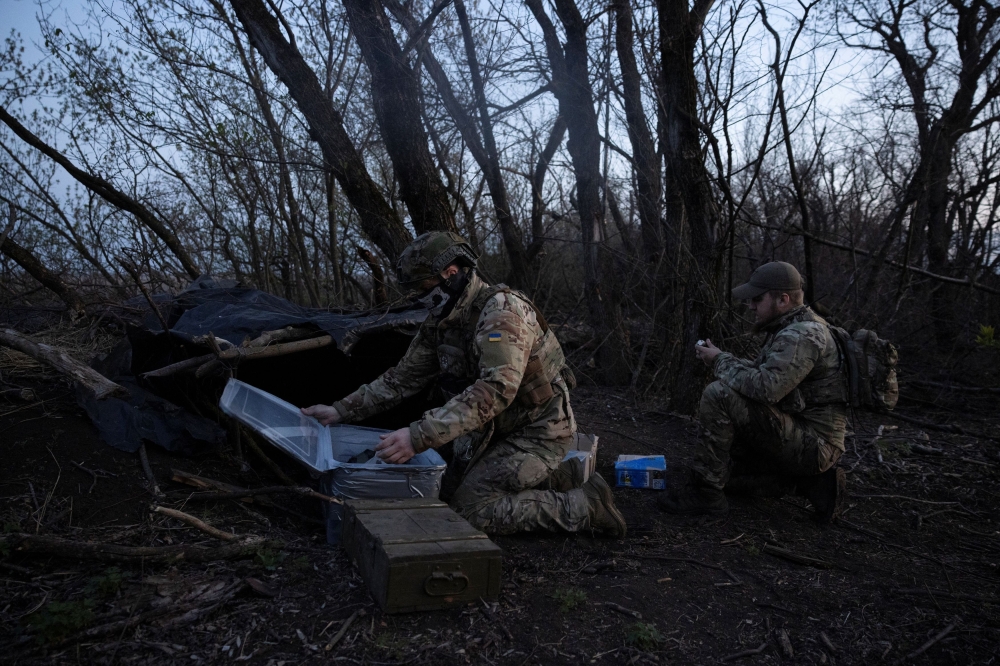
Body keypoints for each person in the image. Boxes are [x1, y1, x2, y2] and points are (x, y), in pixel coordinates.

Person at [302, 232, 626, 537]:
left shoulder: (502, 313)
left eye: (423, 291)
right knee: (444, 487)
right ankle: (563, 477)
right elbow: (402, 379)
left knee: (471, 509)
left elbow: (496, 389)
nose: (419, 300)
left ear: (451, 273)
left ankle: (587, 507)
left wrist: (418, 436)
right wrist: (338, 410)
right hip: (492, 431)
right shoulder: (441, 322)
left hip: (538, 431)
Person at [658, 261, 848, 522]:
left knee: (719, 394)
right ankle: (809, 484)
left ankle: (707, 495)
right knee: (731, 474)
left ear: (782, 299)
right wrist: (723, 356)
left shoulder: (802, 334)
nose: (751, 306)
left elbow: (766, 389)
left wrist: (720, 361)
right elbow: (763, 376)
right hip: (803, 434)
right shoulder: (794, 327)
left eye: (757, 299)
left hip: (814, 445)